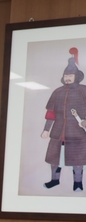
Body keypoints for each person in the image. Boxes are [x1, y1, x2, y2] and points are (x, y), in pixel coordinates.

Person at [41, 48, 86, 191]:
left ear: (76, 76)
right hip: (58, 132)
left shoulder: (84, 91)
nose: (67, 78)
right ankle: (55, 180)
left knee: (78, 161)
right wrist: (46, 130)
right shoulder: (57, 92)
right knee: (55, 160)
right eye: (65, 75)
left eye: (70, 75)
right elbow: (51, 113)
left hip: (77, 133)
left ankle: (78, 183)